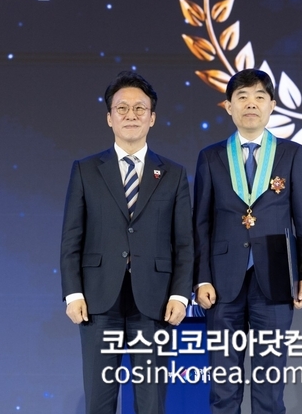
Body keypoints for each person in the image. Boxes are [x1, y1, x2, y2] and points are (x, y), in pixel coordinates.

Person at [60, 71, 194, 414]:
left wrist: (180, 295)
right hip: (98, 300)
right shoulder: (86, 170)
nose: (131, 115)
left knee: (151, 402)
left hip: (155, 301)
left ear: (152, 117)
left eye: (139, 108)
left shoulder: (173, 173)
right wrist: (73, 293)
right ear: (109, 117)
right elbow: (72, 236)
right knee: (99, 400)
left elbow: (184, 242)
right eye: (122, 108)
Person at [193, 68, 302, 414]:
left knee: (270, 387)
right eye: (243, 97)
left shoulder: (292, 154)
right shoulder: (211, 156)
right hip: (221, 282)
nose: (251, 104)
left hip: (275, 275)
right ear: (228, 106)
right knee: (223, 386)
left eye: (260, 97)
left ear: (272, 105)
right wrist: (201, 278)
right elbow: (200, 223)